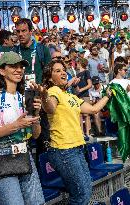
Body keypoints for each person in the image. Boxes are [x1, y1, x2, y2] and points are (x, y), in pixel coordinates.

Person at [31, 59, 112, 205]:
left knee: (85, 190)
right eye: (57, 71)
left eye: (63, 70)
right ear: (50, 78)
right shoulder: (53, 91)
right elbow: (50, 108)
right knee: (81, 194)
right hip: (63, 150)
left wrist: (108, 95)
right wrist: (44, 95)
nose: (63, 72)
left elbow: (94, 109)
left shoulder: (70, 96)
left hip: (77, 148)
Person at [0, 51, 45, 205]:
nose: (19, 70)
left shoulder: (24, 97)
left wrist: (36, 115)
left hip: (25, 154)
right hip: (1, 157)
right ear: (2, 70)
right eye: (13, 66)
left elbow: (36, 135)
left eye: (21, 66)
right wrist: (15, 126)